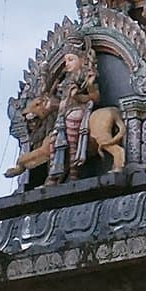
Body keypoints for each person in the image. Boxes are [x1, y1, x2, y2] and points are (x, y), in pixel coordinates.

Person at [47, 41, 100, 184]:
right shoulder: (66, 80)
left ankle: (74, 174)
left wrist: (80, 94)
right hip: (63, 114)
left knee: (72, 142)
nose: (67, 64)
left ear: (82, 60)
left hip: (78, 110)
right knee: (52, 142)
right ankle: (54, 174)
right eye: (66, 61)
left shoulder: (86, 76)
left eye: (71, 59)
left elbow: (95, 98)